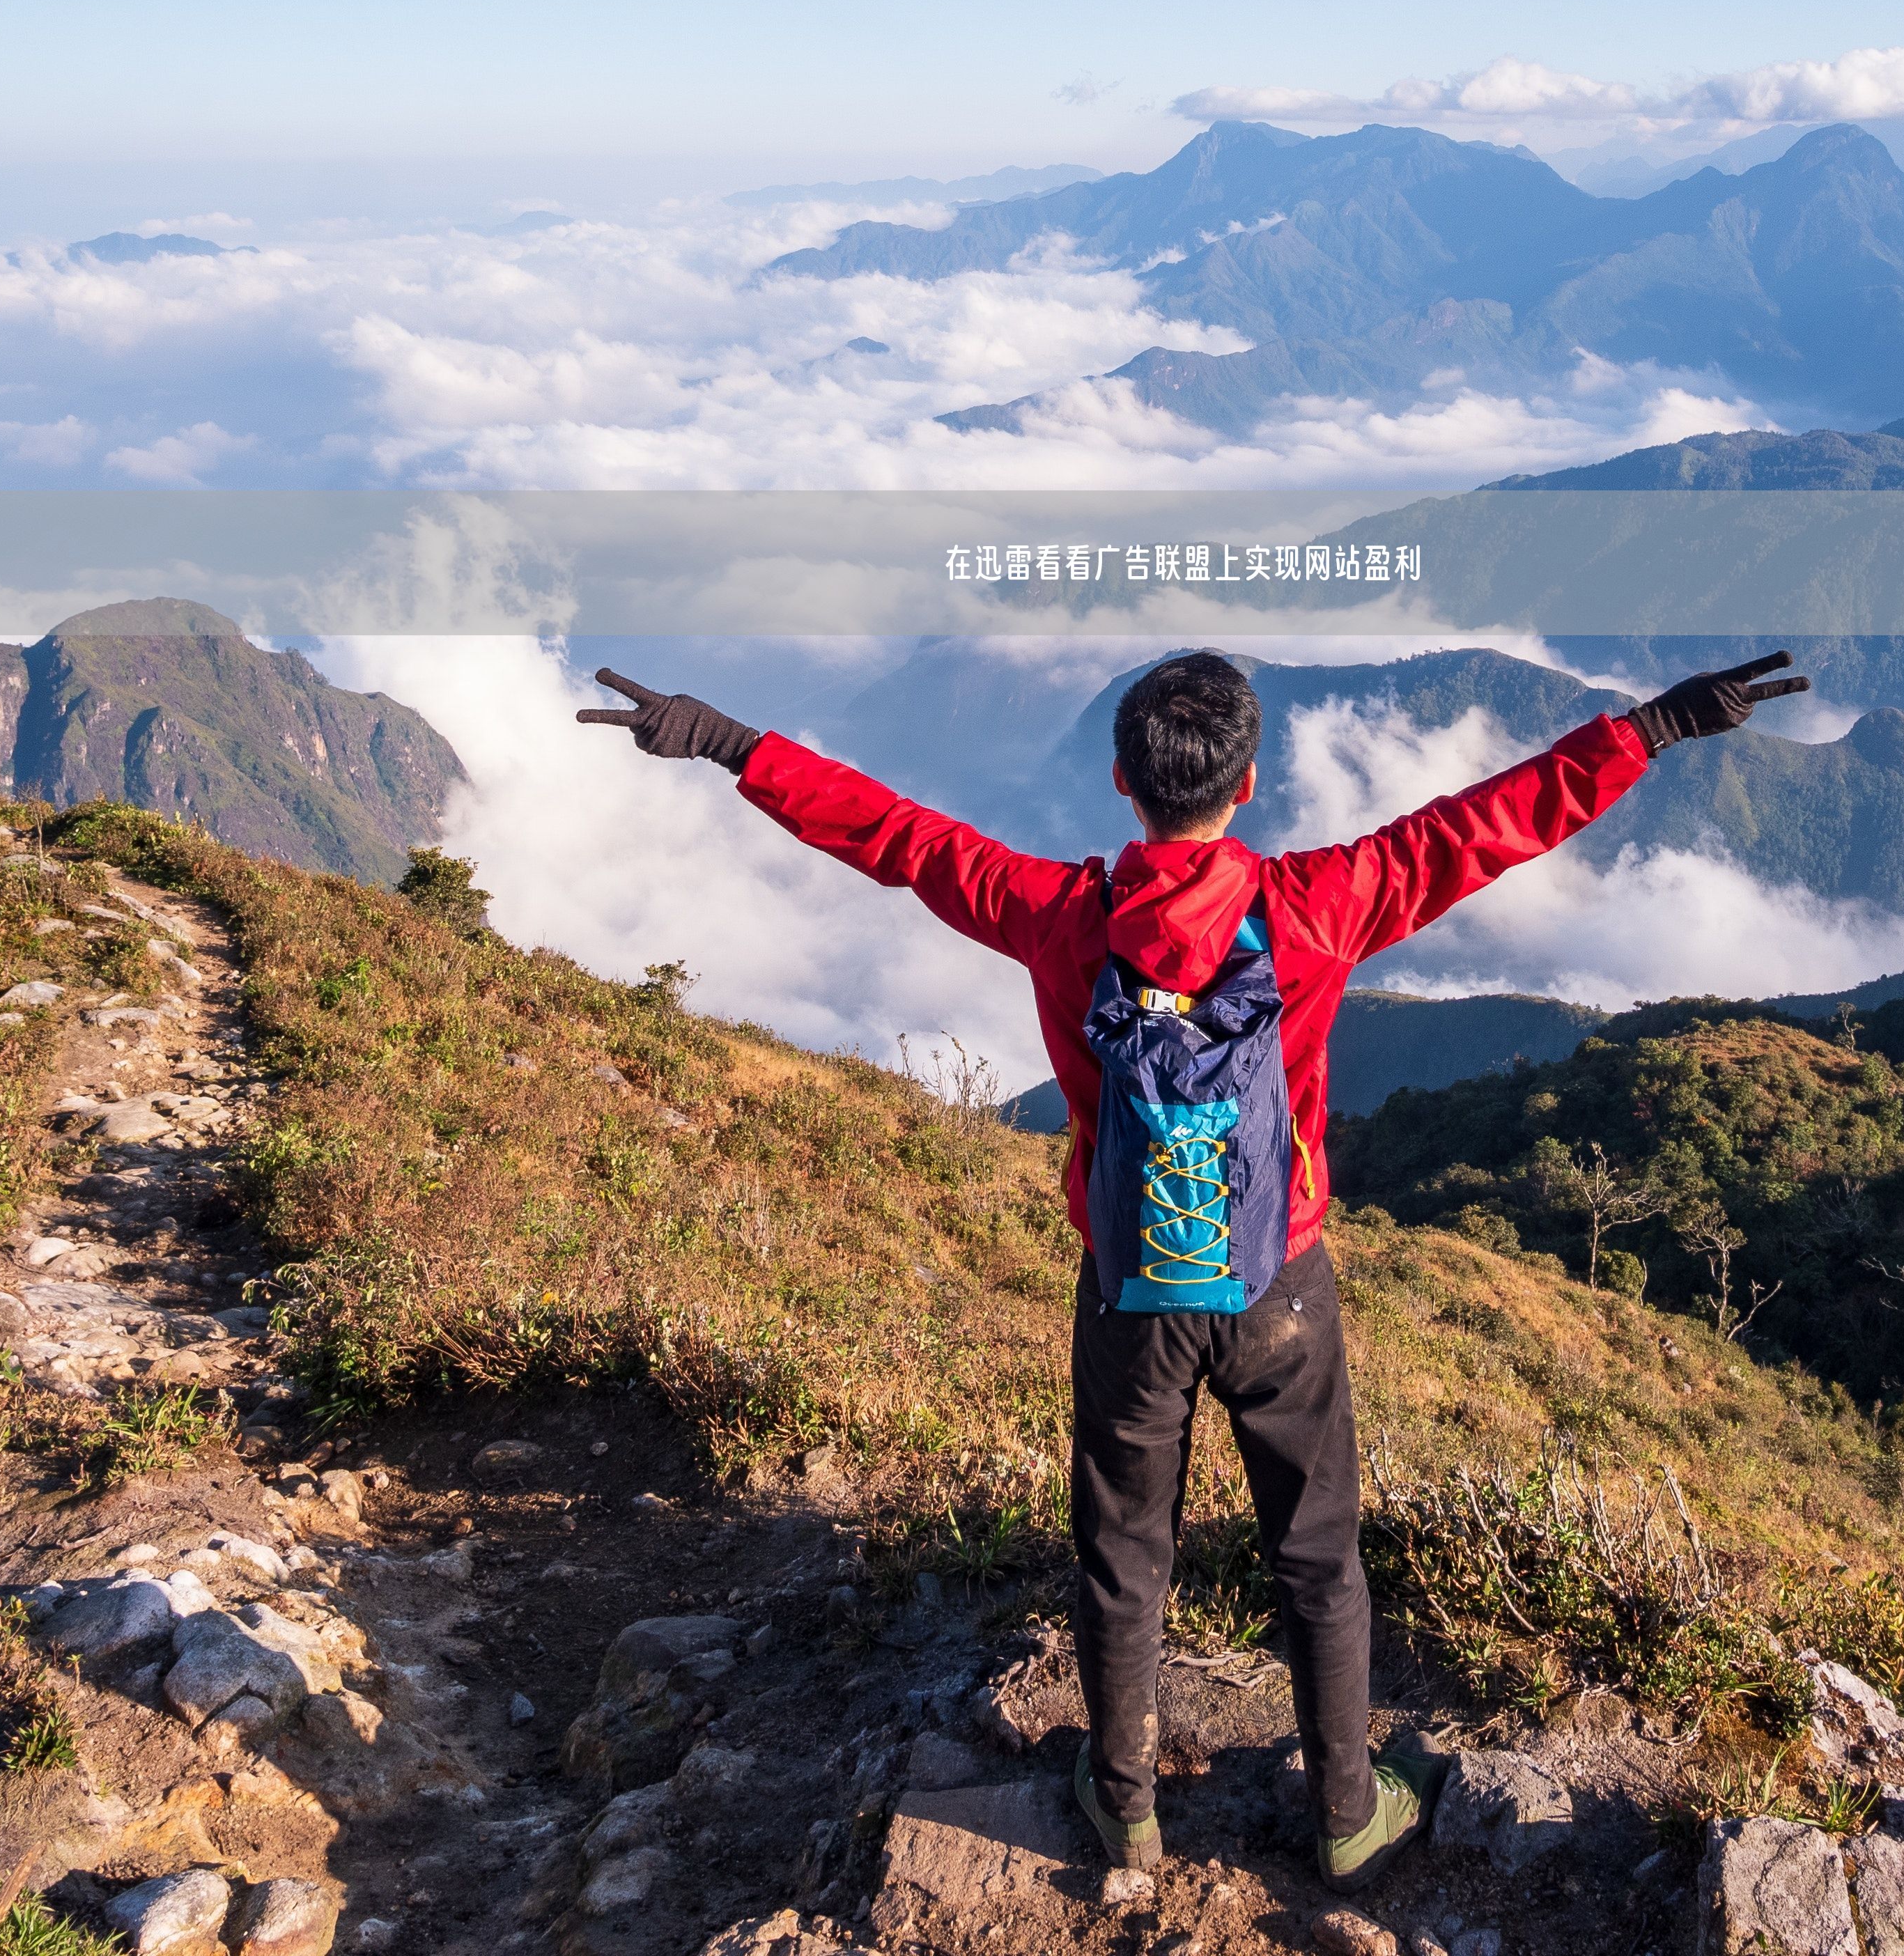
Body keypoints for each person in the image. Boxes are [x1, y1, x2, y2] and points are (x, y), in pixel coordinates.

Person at [575, 644, 1805, 1884]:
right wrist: (1650, 728)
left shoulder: (1062, 916)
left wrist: (729, 742)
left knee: (1125, 1554)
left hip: (1130, 1292)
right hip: (1281, 1284)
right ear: (1252, 779)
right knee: (1318, 1557)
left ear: (1121, 780)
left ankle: (1124, 1806)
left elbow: (899, 839)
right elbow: (1485, 826)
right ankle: (1345, 1811)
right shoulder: (1321, 903)